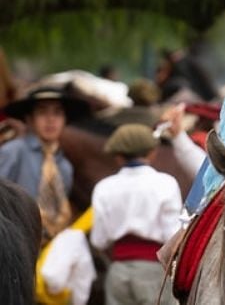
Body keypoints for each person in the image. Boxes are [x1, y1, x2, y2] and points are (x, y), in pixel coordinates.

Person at [90, 124, 181, 305]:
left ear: (118, 156)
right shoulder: (166, 183)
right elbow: (173, 236)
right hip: (154, 272)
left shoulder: (104, 187)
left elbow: (98, 240)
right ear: (152, 152)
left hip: (117, 272)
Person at [0, 86, 90, 239]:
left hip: (51, 246)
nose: (51, 120)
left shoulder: (64, 166)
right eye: (42, 112)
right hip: (15, 242)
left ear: (65, 119)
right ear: (29, 119)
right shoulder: (14, 152)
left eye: (57, 112)